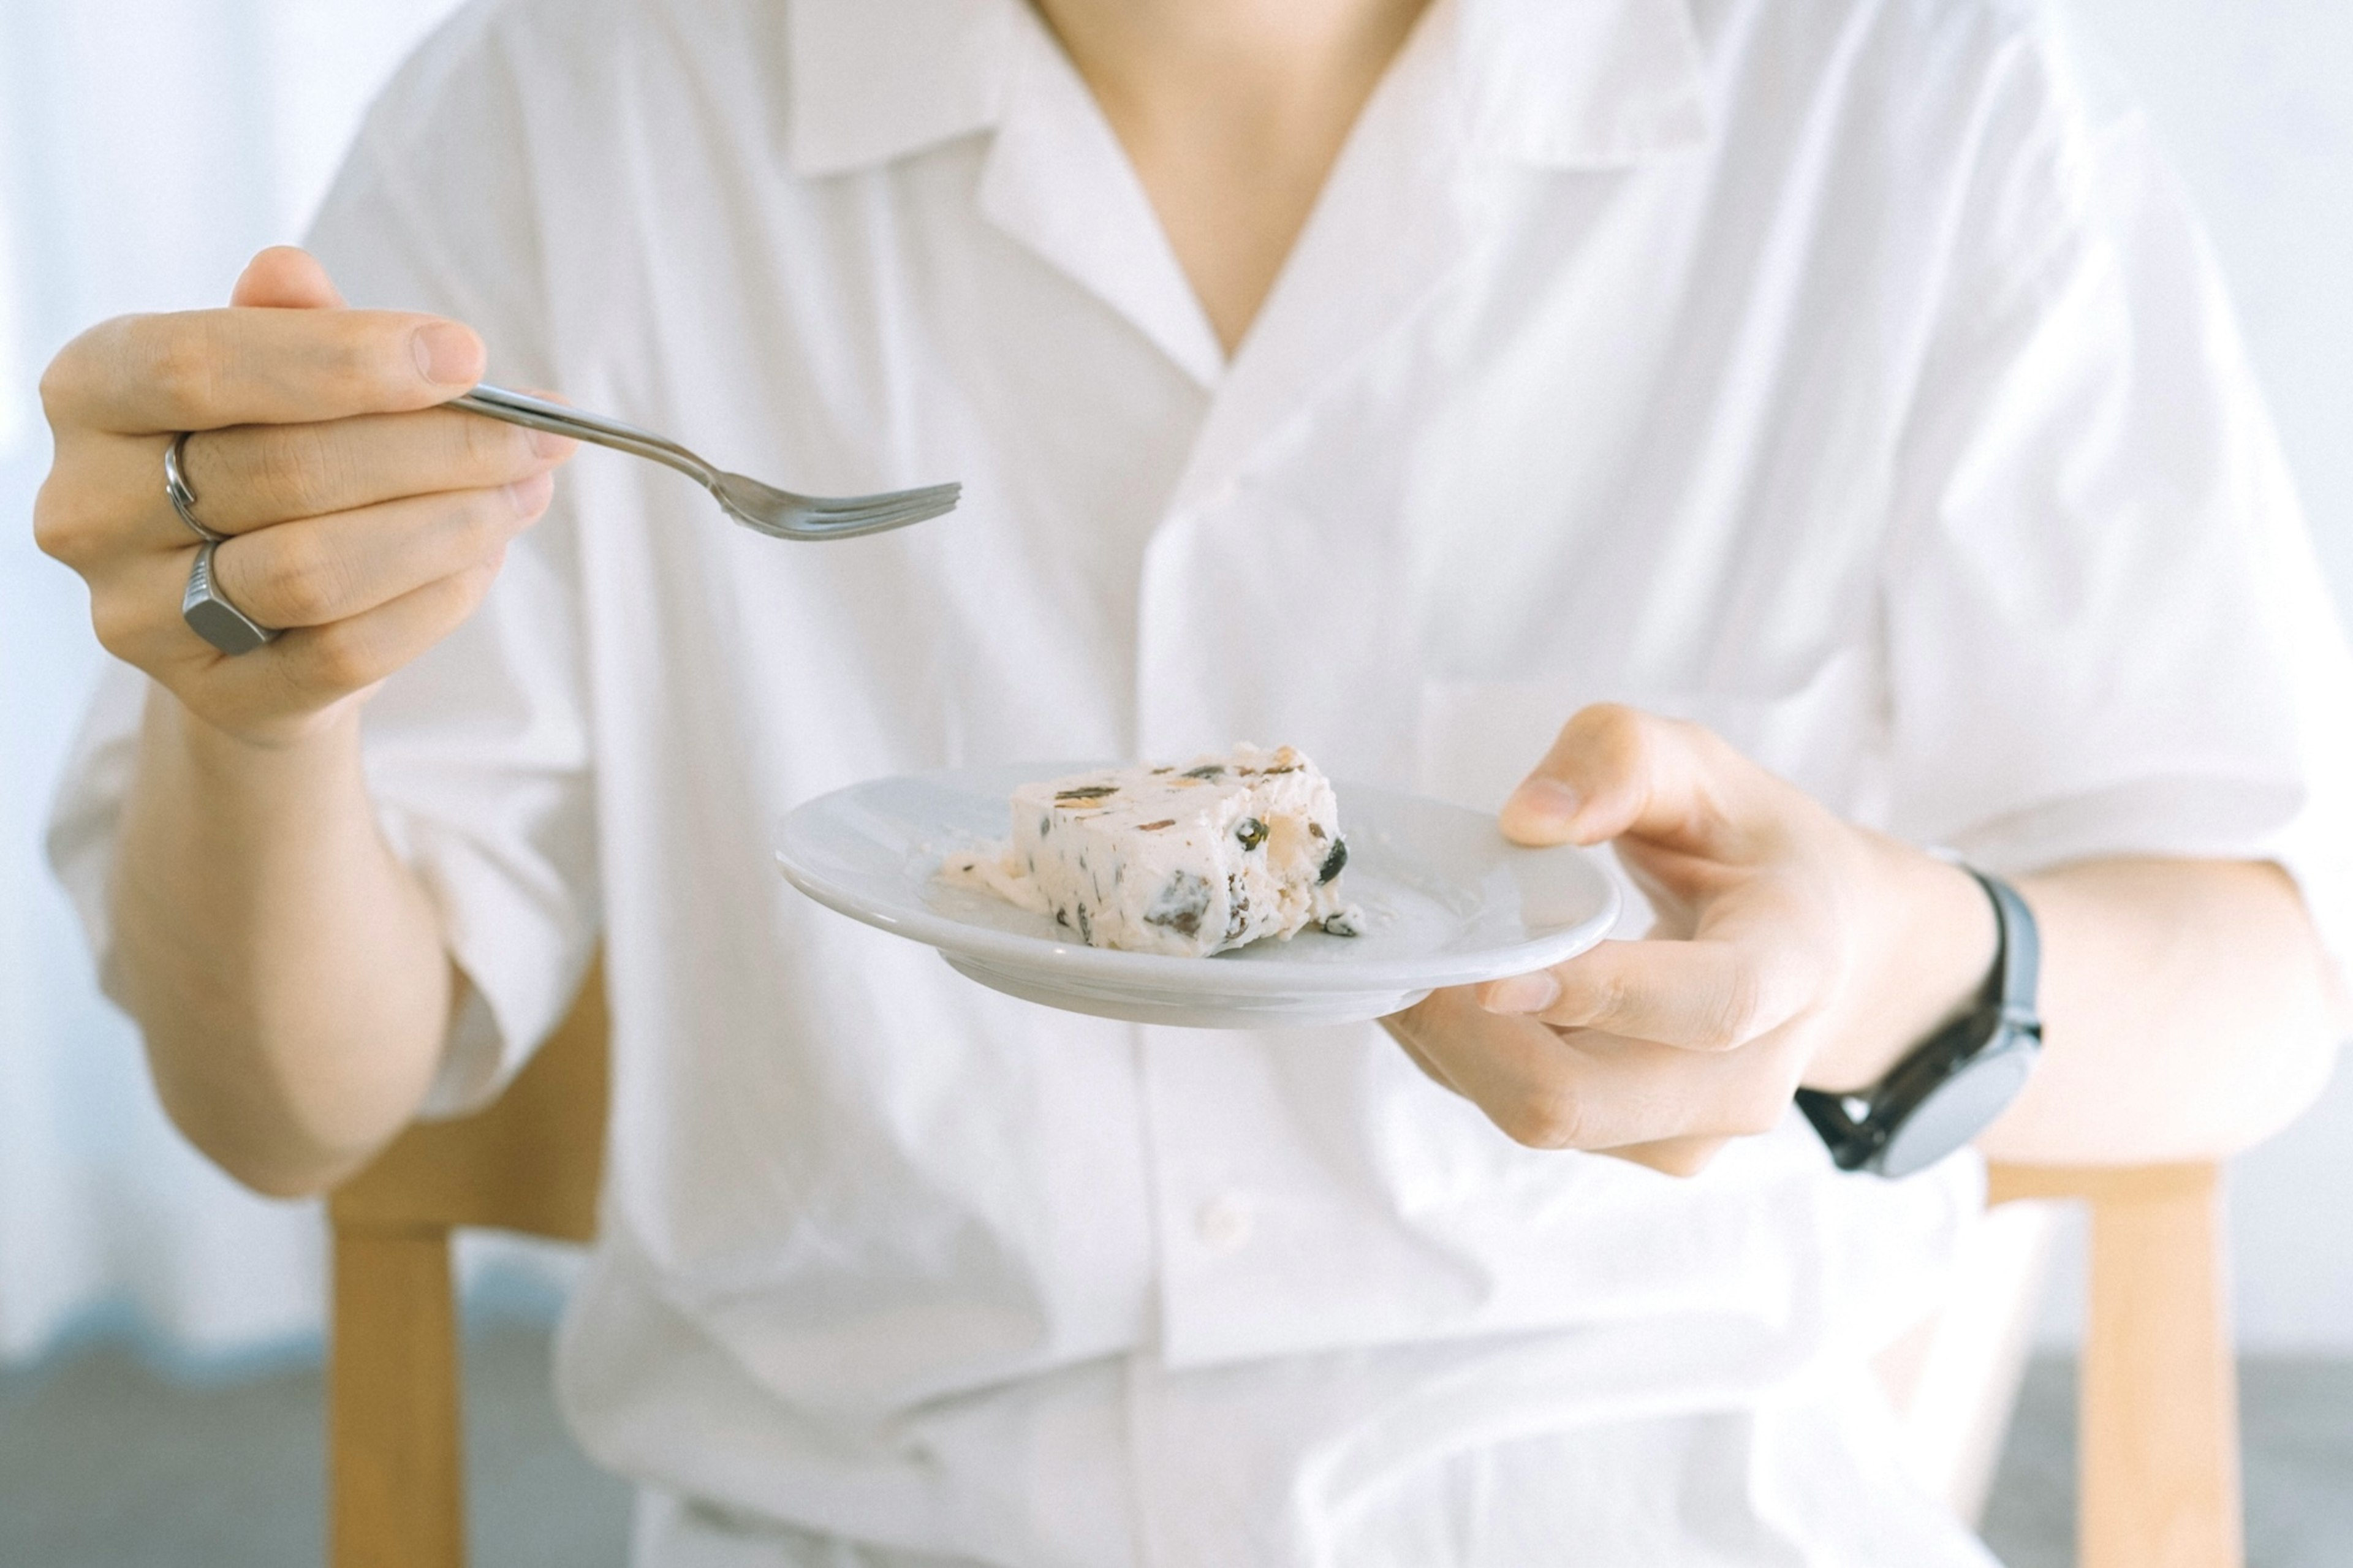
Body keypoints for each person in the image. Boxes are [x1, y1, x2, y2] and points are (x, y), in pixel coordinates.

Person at [32, 0, 2353, 1561]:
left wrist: (1876, 958)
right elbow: (286, 1110)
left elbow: (2256, 970)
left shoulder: (1900, 88)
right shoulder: (584, 94)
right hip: (866, 1514)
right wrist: (259, 712)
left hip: (1667, 1502)